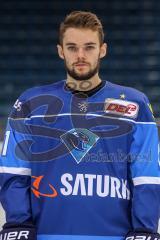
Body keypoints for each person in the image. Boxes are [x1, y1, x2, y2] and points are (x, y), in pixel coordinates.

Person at [0, 10, 160, 240]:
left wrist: (144, 229)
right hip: (48, 234)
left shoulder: (135, 104)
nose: (80, 55)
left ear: (102, 50)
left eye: (89, 47)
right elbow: (14, 171)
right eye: (72, 47)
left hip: (114, 235)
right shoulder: (30, 103)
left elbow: (147, 175)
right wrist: (17, 223)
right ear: (60, 51)